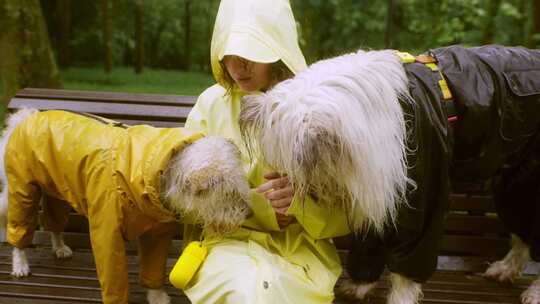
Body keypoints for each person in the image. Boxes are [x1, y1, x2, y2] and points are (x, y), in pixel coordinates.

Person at [181, 0, 351, 303]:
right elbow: (186, 199)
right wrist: (261, 209)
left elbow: (349, 207)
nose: (238, 67)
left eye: (250, 54)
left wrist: (303, 203)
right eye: (230, 55)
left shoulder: (314, 108)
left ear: (277, 48)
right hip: (227, 246)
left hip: (300, 251)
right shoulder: (210, 104)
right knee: (243, 292)